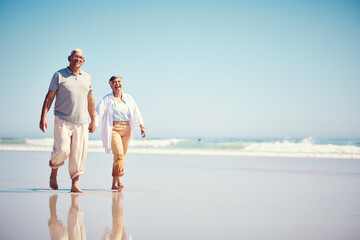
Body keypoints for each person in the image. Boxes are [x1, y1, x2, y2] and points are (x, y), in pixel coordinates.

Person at [39, 49, 95, 193]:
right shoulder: (59, 75)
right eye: (75, 56)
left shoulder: (87, 77)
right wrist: (43, 116)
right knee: (63, 149)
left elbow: (90, 99)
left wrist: (93, 119)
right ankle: (54, 171)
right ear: (69, 58)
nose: (78, 59)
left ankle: (74, 184)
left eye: (81, 57)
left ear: (84, 61)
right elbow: (49, 97)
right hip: (62, 119)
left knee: (78, 154)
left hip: (81, 121)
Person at [95, 75, 146, 190]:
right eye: (114, 82)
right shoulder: (107, 99)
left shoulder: (128, 98)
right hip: (113, 129)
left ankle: (114, 184)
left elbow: (136, 111)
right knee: (119, 154)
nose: (117, 83)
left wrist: (141, 126)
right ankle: (119, 180)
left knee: (120, 157)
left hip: (127, 129)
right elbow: (98, 112)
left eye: (119, 81)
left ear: (122, 84)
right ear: (111, 85)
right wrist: (94, 124)